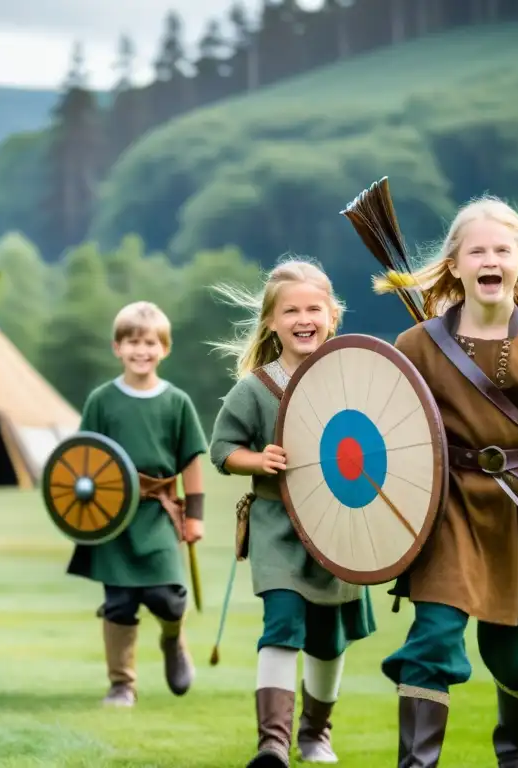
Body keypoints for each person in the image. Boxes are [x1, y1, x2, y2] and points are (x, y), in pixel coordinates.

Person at [371, 196, 518, 766]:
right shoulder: (417, 346)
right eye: (477, 250)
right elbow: (392, 442)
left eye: (502, 250)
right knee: (432, 640)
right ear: (455, 265)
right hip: (447, 510)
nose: (489, 258)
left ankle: (516, 752)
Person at [209, 259, 377, 767]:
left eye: (314, 309)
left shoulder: (352, 377)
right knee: (282, 623)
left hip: (340, 529)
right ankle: (273, 744)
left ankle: (315, 733)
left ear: (332, 316)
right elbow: (221, 448)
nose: (304, 318)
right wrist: (257, 459)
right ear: (271, 322)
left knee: (330, 638)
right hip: (278, 528)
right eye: (291, 311)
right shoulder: (255, 388)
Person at [65, 301, 208, 707]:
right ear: (117, 347)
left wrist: (193, 516)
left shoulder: (176, 402)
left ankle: (172, 640)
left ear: (164, 348)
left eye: (149, 343)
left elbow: (191, 462)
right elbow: (83, 458)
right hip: (112, 516)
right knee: (120, 602)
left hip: (160, 511)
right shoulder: (102, 400)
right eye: (132, 342)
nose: (140, 351)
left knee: (167, 596)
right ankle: (121, 684)